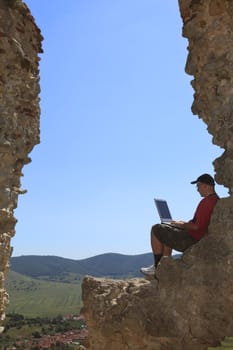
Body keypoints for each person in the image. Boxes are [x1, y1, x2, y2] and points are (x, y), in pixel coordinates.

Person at [140, 173, 219, 276]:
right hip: (196, 236)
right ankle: (165, 263)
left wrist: (182, 225)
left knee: (156, 229)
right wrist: (181, 223)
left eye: (198, 186)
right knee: (168, 228)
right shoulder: (215, 200)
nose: (197, 189)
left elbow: (196, 227)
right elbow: (198, 223)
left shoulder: (207, 202)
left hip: (192, 239)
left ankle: (157, 266)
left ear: (206, 186)